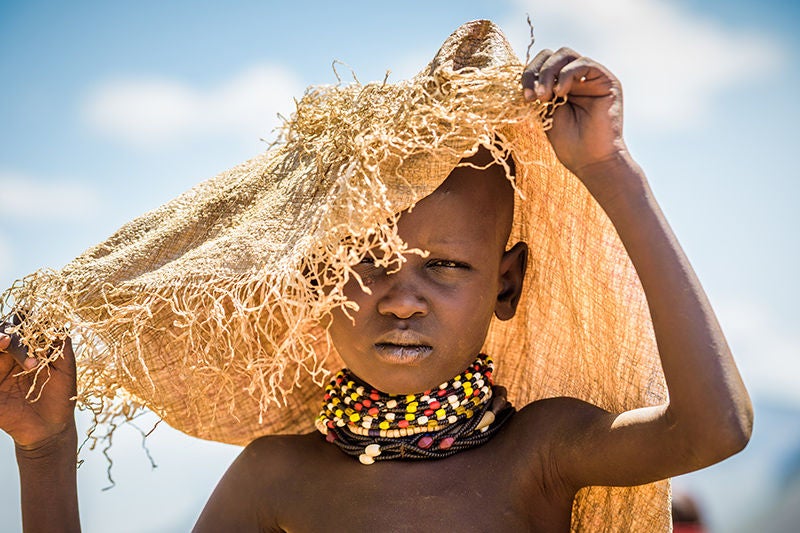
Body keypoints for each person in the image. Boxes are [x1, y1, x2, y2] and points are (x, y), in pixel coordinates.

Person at [0, 20, 752, 531]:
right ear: (311, 280)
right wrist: (43, 451)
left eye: (448, 266)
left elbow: (715, 427)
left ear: (507, 284)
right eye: (363, 262)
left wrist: (610, 171)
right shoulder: (274, 476)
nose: (401, 297)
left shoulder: (543, 450)